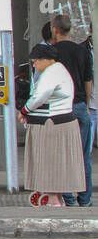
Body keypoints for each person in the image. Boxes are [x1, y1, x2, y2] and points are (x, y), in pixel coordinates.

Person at [18, 43, 85, 207]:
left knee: (50, 164)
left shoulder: (51, 73)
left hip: (52, 125)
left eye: (35, 61)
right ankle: (57, 199)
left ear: (45, 60)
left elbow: (40, 96)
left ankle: (54, 201)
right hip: (61, 122)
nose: (34, 65)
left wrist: (25, 111)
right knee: (59, 165)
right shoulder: (59, 69)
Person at [50, 15, 93, 207]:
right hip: (81, 106)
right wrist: (86, 104)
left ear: (55, 30)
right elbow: (88, 81)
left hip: (61, 109)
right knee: (83, 155)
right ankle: (84, 199)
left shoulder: (52, 53)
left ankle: (67, 197)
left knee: (62, 154)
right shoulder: (82, 51)